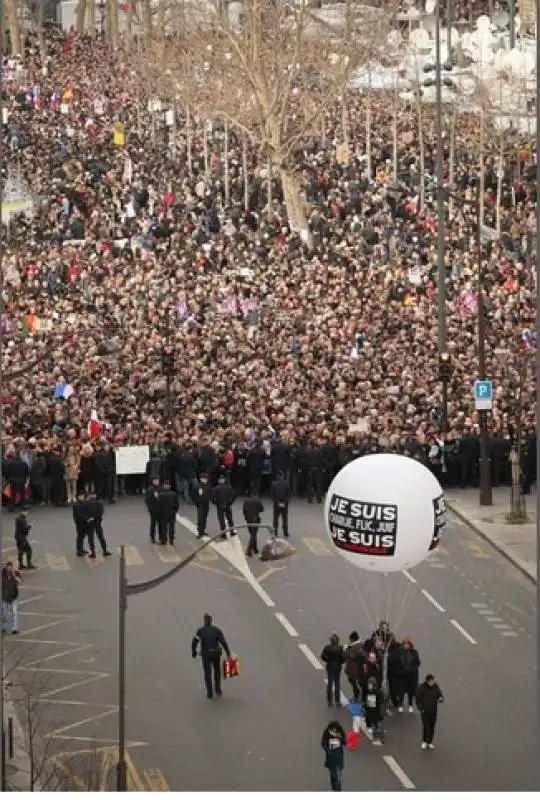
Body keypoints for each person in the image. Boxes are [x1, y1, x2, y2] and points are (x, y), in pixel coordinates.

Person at [191, 613, 231, 699]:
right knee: (217, 671)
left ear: (204, 621)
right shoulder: (217, 630)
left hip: (206, 655)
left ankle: (210, 693)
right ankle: (218, 689)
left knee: (207, 673)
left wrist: (194, 652)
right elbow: (223, 642)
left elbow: (194, 642)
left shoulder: (200, 631)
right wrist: (228, 653)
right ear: (211, 621)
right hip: (216, 654)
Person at [416, 673, 444, 750]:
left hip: (433, 711)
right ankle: (424, 741)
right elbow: (418, 700)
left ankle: (430, 742)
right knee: (426, 727)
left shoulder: (435, 687)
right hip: (425, 712)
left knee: (432, 726)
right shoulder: (421, 688)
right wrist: (421, 709)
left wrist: (441, 698)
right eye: (431, 681)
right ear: (427, 681)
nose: (432, 682)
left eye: (433, 681)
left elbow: (440, 695)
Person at [396, 637, 421, 713]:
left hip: (411, 676)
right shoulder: (399, 652)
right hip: (402, 676)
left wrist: (412, 669)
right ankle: (400, 705)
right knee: (401, 691)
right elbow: (396, 663)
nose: (406, 645)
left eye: (407, 644)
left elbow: (418, 663)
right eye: (405, 644)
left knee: (411, 691)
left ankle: (410, 705)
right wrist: (400, 671)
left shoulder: (414, 652)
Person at [321, 720, 346, 791]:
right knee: (333, 772)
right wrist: (328, 750)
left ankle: (337, 785)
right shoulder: (327, 733)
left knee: (339, 771)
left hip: (339, 754)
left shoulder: (340, 733)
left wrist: (340, 738)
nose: (334, 730)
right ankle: (335, 787)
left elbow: (345, 742)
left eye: (336, 729)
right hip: (331, 755)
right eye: (333, 729)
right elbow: (323, 743)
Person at [321, 633, 345, 707]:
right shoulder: (340, 648)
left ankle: (329, 701)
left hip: (330, 666)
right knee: (337, 683)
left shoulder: (327, 647)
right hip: (337, 667)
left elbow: (322, 656)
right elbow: (343, 658)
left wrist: (327, 660)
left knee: (330, 683)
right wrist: (340, 663)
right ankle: (337, 701)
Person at [84, 493, 111, 558]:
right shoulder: (99, 503)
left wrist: (87, 519)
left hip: (90, 523)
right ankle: (105, 551)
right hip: (97, 522)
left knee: (91, 538)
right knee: (101, 537)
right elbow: (102, 512)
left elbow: (84, 513)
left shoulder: (86, 504)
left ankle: (93, 552)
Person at [210, 474, 237, 539]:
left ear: (218, 481)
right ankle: (232, 531)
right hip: (227, 505)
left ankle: (223, 533)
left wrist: (216, 504)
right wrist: (230, 503)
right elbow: (234, 496)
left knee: (221, 520)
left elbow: (212, 498)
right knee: (230, 519)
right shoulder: (228, 487)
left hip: (220, 506)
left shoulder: (215, 489)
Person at [344, 631, 365, 703]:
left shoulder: (352, 647)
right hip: (361, 667)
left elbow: (350, 656)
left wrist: (346, 649)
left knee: (352, 680)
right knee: (359, 681)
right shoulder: (362, 644)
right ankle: (360, 694)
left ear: (353, 639)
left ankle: (357, 694)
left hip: (353, 667)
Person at [1, 562, 22, 634]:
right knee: (4, 614)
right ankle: (3, 627)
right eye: (8, 567)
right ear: (6, 567)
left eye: (11, 567)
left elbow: (20, 581)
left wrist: (14, 576)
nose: (9, 569)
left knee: (14, 613)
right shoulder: (2, 573)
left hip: (13, 597)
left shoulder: (15, 573)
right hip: (4, 597)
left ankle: (14, 628)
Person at [364, 677, 384, 744]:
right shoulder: (367, 691)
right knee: (370, 718)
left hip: (376, 710)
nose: (369, 686)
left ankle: (378, 732)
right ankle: (372, 728)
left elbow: (380, 701)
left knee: (376, 720)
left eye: (371, 684)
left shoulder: (377, 692)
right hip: (370, 709)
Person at [270, 472, 290, 538]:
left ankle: (275, 532)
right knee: (284, 519)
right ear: (283, 476)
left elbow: (272, 495)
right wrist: (284, 502)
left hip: (276, 504)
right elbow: (288, 495)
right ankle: (285, 532)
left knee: (275, 519)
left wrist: (277, 502)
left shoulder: (274, 484)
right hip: (284, 504)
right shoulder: (286, 484)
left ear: (277, 476)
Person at [193, 473, 211, 539]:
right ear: (201, 479)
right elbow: (194, 495)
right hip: (200, 504)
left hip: (206, 504)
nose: (205, 480)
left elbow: (210, 493)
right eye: (204, 478)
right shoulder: (198, 486)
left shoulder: (208, 486)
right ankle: (200, 532)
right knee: (201, 518)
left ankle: (203, 530)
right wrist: (196, 503)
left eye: (206, 478)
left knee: (204, 518)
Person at [145, 478, 162, 543]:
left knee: (161, 524)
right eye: (156, 481)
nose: (157, 482)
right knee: (153, 524)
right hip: (153, 509)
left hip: (160, 509)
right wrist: (150, 509)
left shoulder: (160, 489)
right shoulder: (150, 489)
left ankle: (161, 537)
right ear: (153, 481)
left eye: (158, 480)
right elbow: (147, 500)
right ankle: (152, 537)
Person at [73, 490, 89, 556]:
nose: (82, 497)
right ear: (78, 497)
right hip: (79, 523)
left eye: (83, 496)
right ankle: (79, 551)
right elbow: (78, 515)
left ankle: (81, 549)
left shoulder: (84, 503)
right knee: (80, 536)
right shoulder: (76, 504)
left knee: (83, 536)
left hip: (84, 522)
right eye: (81, 496)